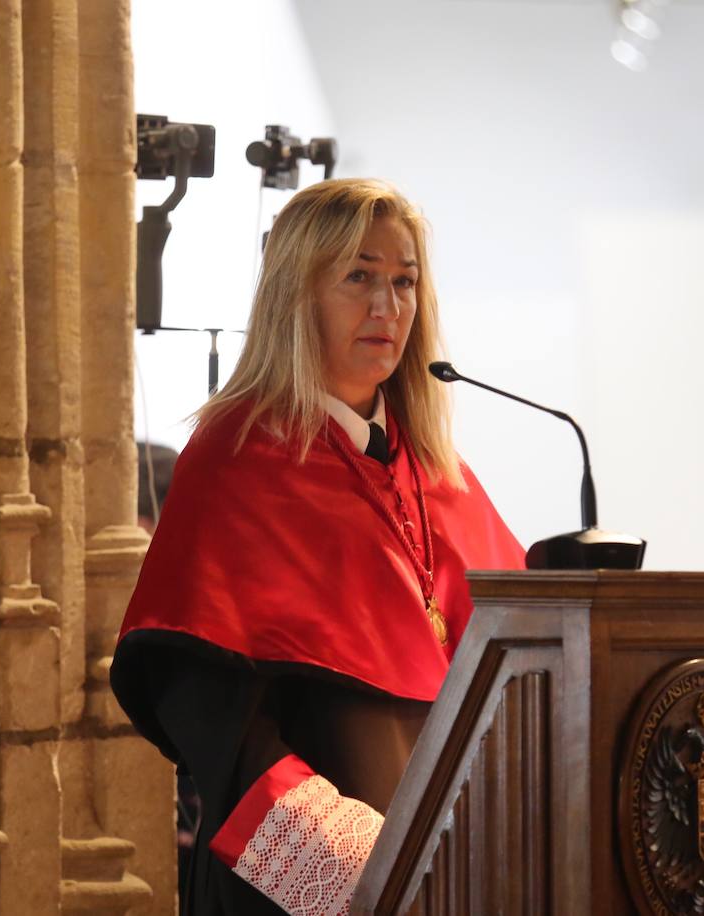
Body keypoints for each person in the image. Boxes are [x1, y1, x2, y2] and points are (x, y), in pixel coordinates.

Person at [111, 178, 525, 916]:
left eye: (404, 282)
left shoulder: (440, 473)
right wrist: (354, 867)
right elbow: (203, 699)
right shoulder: (237, 453)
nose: (386, 306)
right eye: (359, 277)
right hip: (308, 879)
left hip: (449, 859)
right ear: (296, 295)